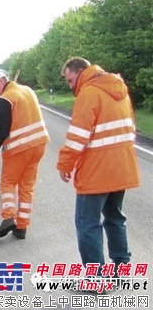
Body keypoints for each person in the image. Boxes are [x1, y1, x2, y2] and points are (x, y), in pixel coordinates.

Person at [56, 57, 140, 277]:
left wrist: (65, 164)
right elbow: (131, 131)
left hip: (96, 174)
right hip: (121, 169)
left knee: (87, 225)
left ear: (82, 72)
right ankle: (121, 268)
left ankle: (96, 278)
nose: (70, 86)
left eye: (70, 80)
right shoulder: (120, 91)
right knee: (115, 218)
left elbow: (77, 138)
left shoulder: (89, 94)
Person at [0, 70, 50, 239]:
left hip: (20, 148)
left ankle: (8, 217)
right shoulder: (27, 91)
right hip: (39, 145)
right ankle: (21, 227)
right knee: (26, 186)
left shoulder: (6, 99)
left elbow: (1, 128)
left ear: (0, 81)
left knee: (7, 182)